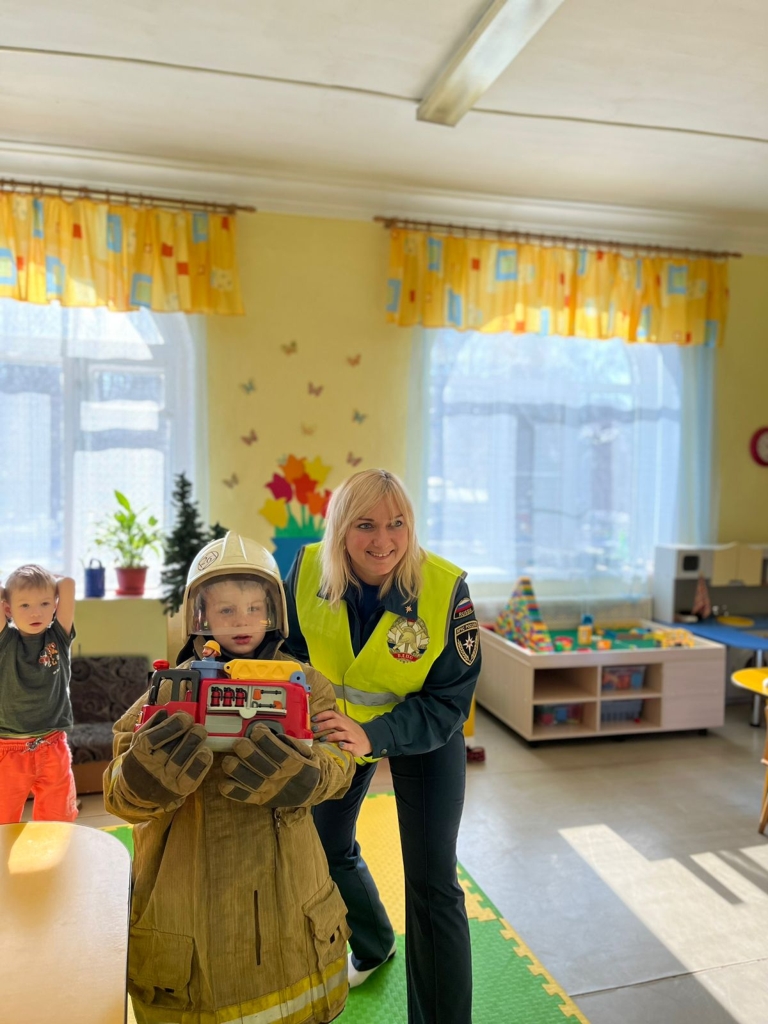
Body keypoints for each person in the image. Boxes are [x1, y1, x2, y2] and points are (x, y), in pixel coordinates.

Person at [104, 532, 355, 1024]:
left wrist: (309, 777)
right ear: (199, 615)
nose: (242, 621)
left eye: (254, 608)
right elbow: (118, 792)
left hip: (292, 912)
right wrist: (144, 777)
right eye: (226, 610)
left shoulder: (307, 684)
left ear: (274, 612)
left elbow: (340, 756)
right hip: (188, 924)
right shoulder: (168, 691)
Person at [283, 469, 482, 1024]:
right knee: (327, 848)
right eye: (365, 525)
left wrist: (376, 734)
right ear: (341, 529)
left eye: (397, 524)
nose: (384, 540)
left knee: (433, 884)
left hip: (423, 733)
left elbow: (449, 702)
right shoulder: (306, 568)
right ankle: (373, 943)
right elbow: (289, 653)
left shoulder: (445, 590)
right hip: (337, 732)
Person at [0, 564, 78, 824]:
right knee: (3, 822)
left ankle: (52, 856)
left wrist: (47, 579)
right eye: (24, 605)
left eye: (44, 603)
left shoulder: (59, 636)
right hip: (8, 749)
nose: (36, 612)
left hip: (52, 744)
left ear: (55, 605)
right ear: (7, 609)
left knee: (58, 822)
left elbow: (68, 585)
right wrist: (10, 590)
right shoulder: (5, 640)